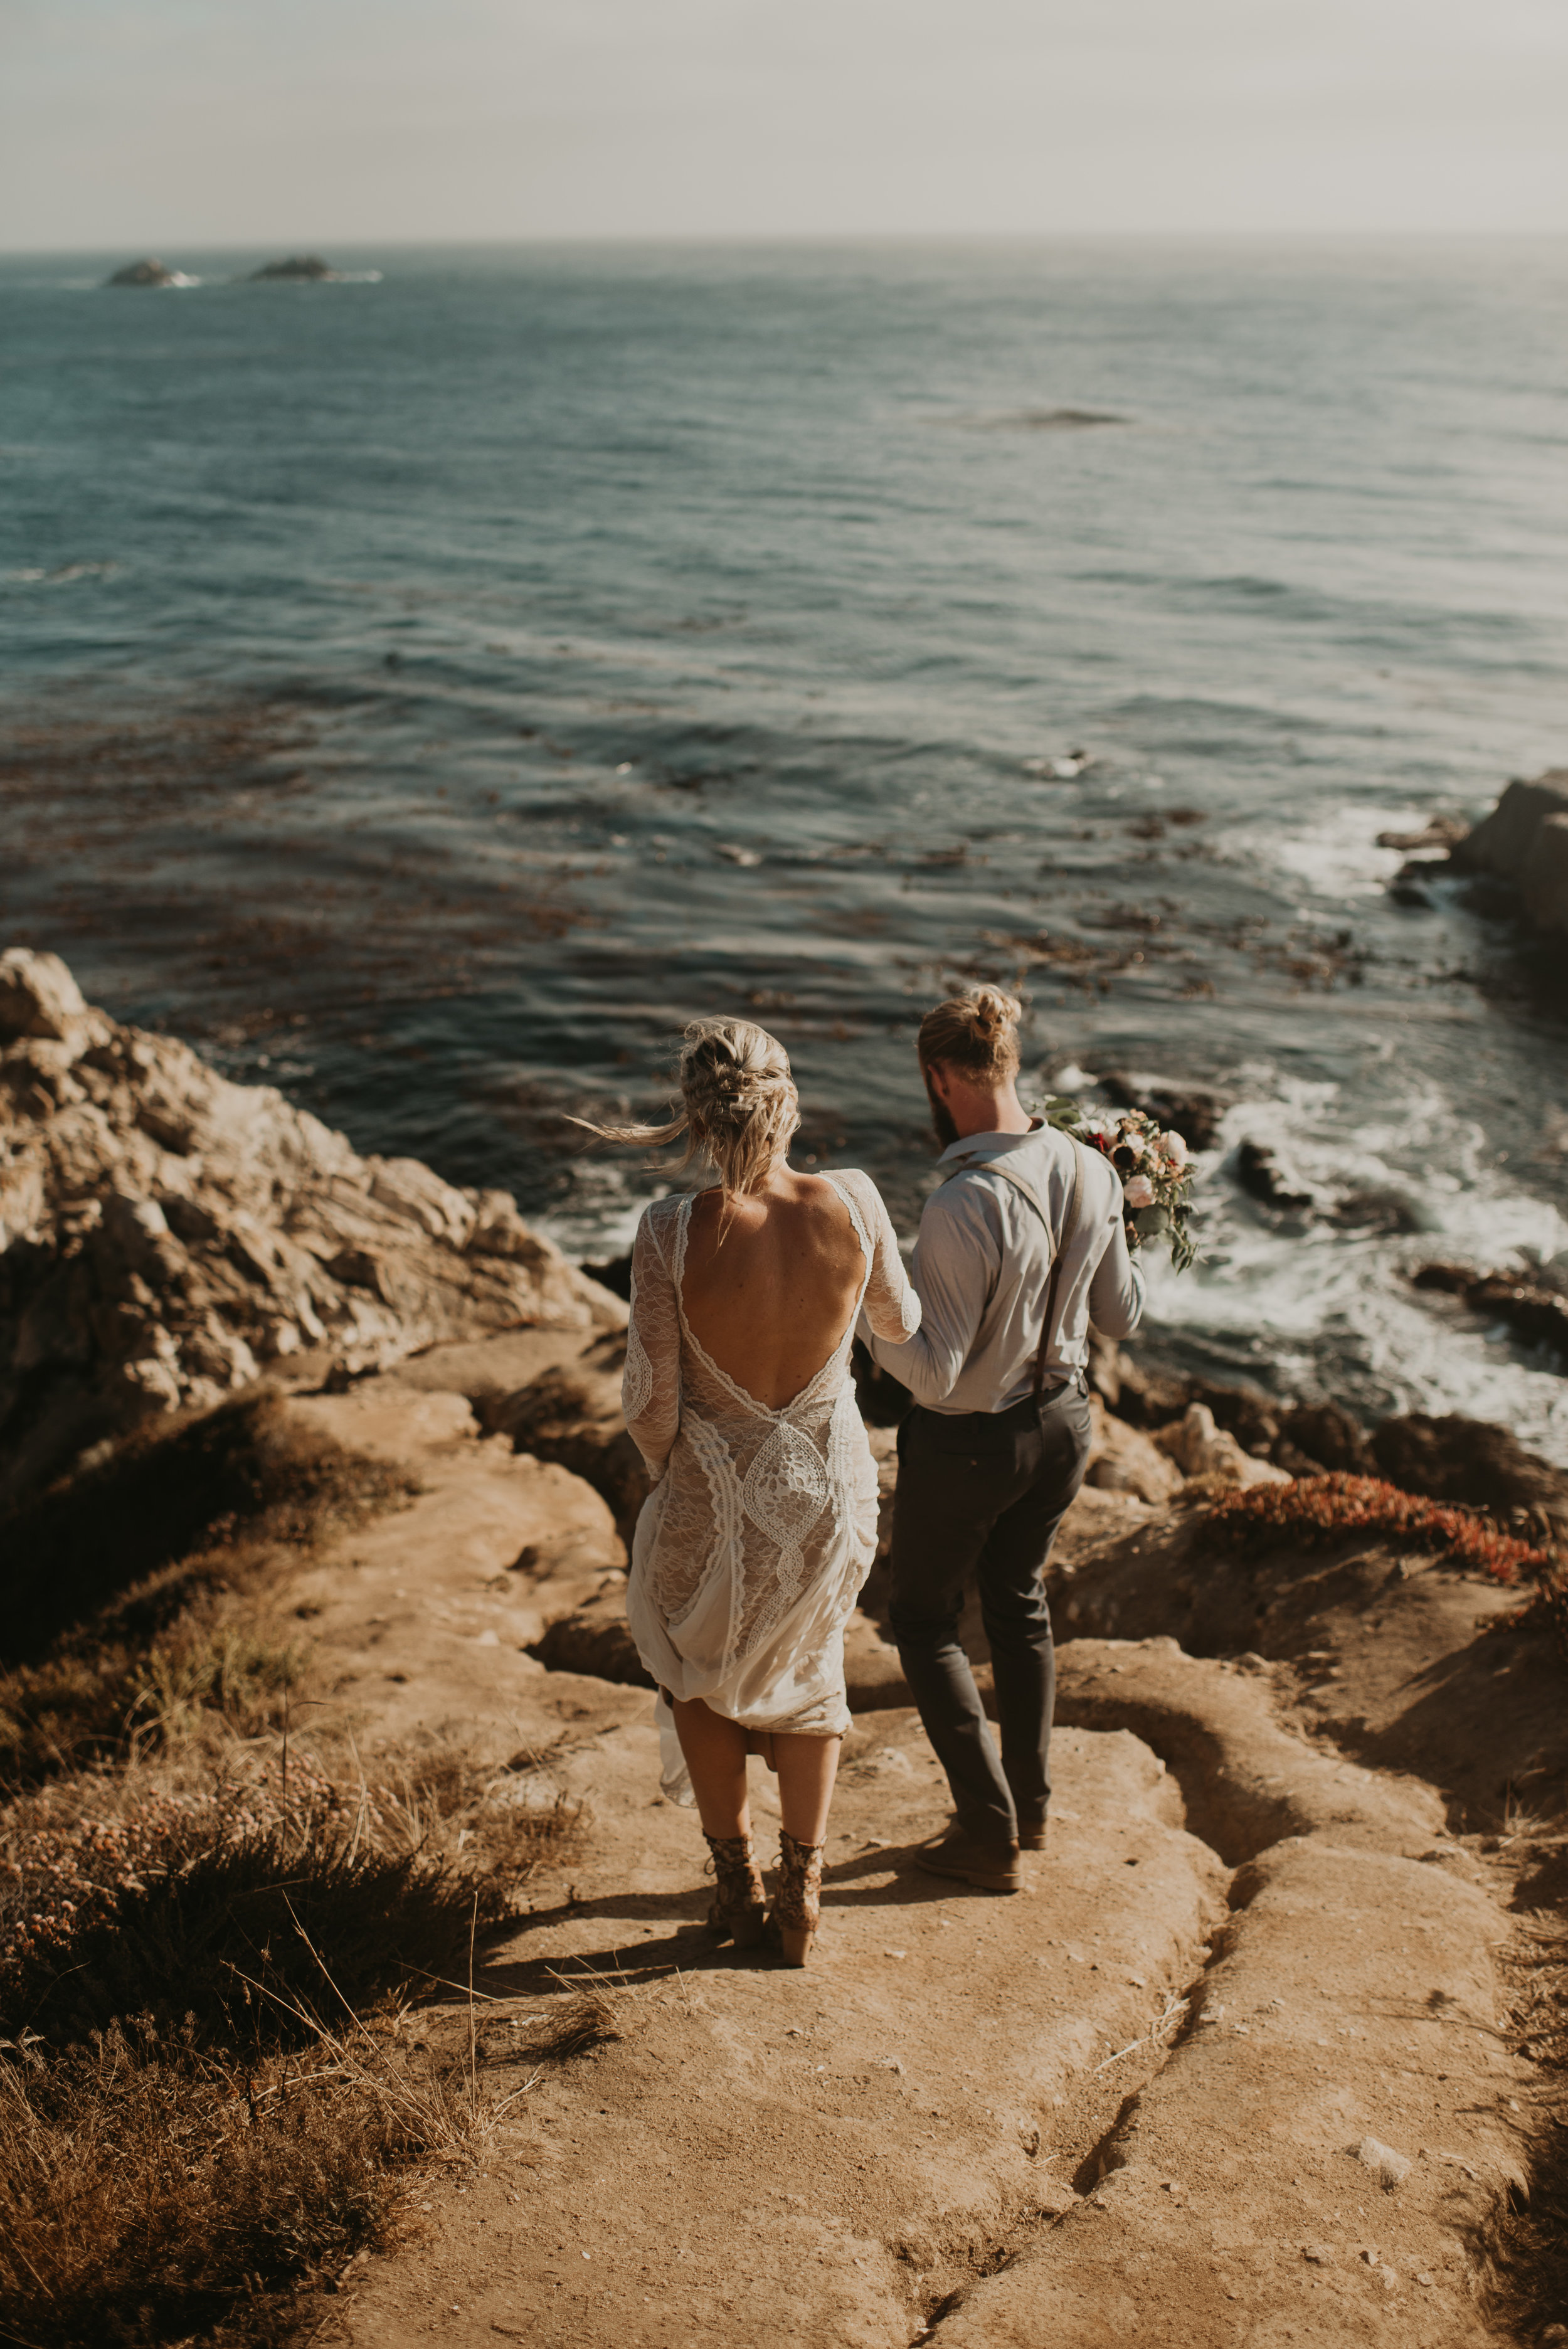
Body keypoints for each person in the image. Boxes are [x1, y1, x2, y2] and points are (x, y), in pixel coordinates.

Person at [575, 1019, 920, 1965]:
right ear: (789, 1099)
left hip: (715, 1494)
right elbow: (899, 1319)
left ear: (696, 1117)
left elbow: (651, 1401)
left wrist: (671, 1474)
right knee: (811, 1673)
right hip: (830, 1492)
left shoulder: (667, 1234)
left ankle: (738, 1888)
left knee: (696, 1670)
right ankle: (802, 1897)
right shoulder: (855, 1199)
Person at [867, 986, 1145, 1892]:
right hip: (1065, 1426)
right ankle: (1030, 1809)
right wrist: (1121, 1228)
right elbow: (1118, 1318)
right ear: (1009, 1064)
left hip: (971, 1445)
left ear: (942, 1076)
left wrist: (866, 1317)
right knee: (1019, 1599)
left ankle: (987, 1834)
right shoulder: (1093, 1168)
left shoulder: (961, 1202)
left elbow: (938, 1375)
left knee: (921, 1620)